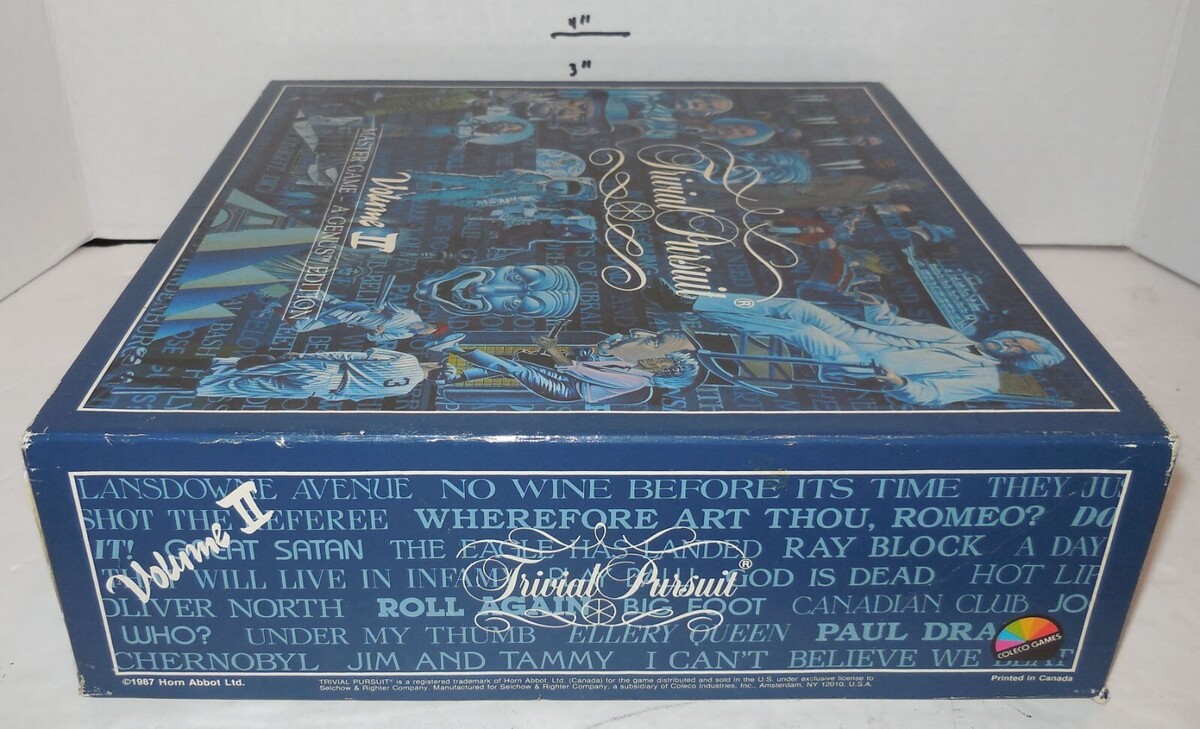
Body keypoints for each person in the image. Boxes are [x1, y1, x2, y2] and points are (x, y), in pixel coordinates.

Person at [687, 293, 1064, 407]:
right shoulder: (956, 336)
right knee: (799, 306)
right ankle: (697, 301)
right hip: (856, 335)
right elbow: (897, 327)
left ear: (1020, 359)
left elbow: (932, 395)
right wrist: (878, 308)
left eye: (1017, 348)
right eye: (1014, 337)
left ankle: (708, 314)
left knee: (801, 329)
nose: (1009, 343)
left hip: (863, 365)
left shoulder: (984, 379)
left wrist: (900, 383)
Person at [427, 330, 702, 404]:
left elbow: (579, 371)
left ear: (667, 373)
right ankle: (454, 377)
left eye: (663, 361)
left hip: (568, 390)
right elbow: (589, 363)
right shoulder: (634, 368)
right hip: (570, 380)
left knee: (517, 369)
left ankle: (454, 350)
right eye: (663, 356)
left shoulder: (636, 380)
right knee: (517, 365)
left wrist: (552, 350)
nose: (656, 359)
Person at [196, 348, 439, 402]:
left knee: (237, 366)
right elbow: (355, 397)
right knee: (236, 386)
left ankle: (179, 361)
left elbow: (348, 356)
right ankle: (193, 385)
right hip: (323, 389)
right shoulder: (404, 389)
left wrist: (303, 355)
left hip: (324, 369)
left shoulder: (409, 360)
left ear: (435, 366)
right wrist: (324, 394)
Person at [292, 293, 443, 343]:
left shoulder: (406, 334)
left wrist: (377, 333)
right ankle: (283, 298)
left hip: (351, 319)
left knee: (325, 299)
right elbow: (386, 305)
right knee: (301, 326)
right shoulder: (410, 315)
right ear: (432, 326)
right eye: (431, 333)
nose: (426, 335)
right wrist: (380, 308)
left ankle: (286, 291)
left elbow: (377, 338)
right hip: (358, 311)